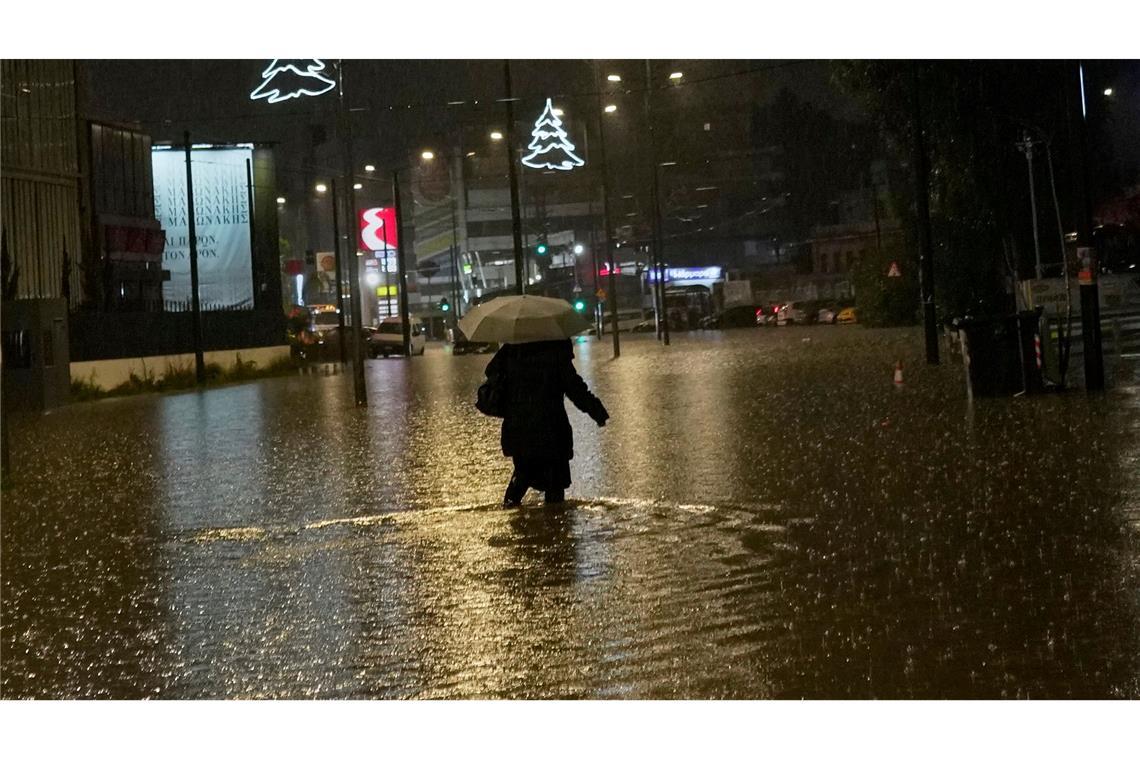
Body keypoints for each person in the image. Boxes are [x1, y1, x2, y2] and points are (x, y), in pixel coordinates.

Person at [484, 339, 609, 506]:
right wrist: (597, 411)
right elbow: (575, 388)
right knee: (555, 485)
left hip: (519, 429)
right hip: (551, 429)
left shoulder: (511, 351)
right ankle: (554, 520)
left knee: (522, 476)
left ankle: (510, 512)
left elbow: (492, 374)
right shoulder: (556, 350)